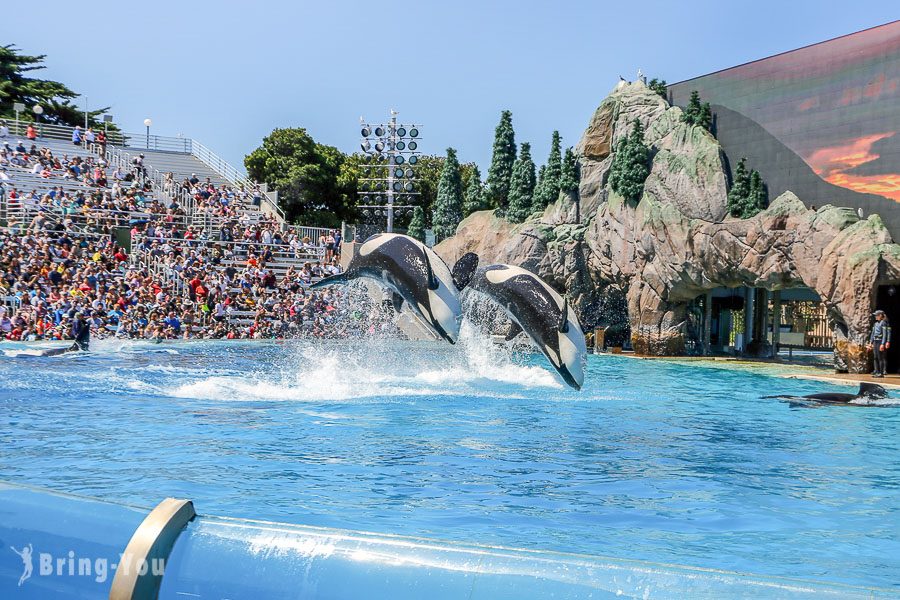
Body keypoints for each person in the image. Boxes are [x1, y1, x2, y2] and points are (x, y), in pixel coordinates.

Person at [870, 309, 892, 378]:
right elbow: (873, 334)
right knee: (875, 357)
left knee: (880, 357)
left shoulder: (883, 323)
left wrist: (883, 343)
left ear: (880, 315)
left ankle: (881, 372)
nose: (875, 317)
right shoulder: (875, 323)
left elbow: (885, 334)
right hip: (875, 341)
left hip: (880, 341)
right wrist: (871, 342)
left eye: (876, 315)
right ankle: (876, 371)